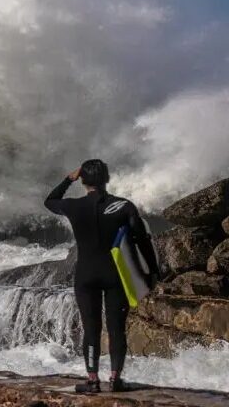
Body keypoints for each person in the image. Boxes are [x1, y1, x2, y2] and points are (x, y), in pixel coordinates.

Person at [44, 159, 159, 393]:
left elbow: (50, 201)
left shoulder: (74, 206)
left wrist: (68, 179)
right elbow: (141, 240)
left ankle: (92, 380)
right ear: (107, 179)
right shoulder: (124, 206)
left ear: (83, 180)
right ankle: (116, 379)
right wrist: (153, 271)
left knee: (91, 328)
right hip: (115, 276)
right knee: (117, 328)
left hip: (86, 276)